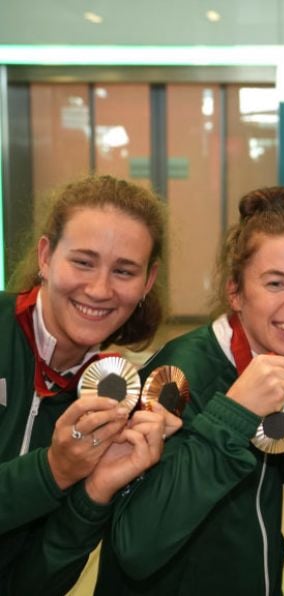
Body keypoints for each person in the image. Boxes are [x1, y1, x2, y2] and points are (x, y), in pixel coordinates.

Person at [96, 186, 284, 594]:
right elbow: (137, 544)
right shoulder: (181, 373)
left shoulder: (276, 363)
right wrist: (233, 415)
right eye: (276, 283)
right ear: (235, 292)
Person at [0, 175, 178, 594]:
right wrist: (54, 470)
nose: (99, 289)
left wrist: (96, 494)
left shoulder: (111, 398)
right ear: (45, 256)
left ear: (147, 283)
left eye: (124, 270)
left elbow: (38, 582)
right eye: (83, 261)